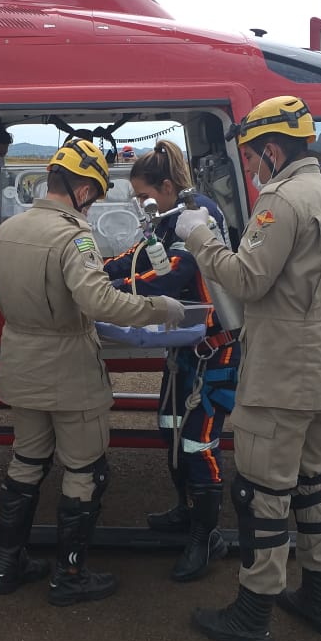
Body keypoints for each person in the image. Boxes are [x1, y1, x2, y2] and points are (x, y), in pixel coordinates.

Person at [173, 96, 321, 641]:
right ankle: (318, 599)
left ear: (273, 151)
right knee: (311, 486)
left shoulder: (282, 200)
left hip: (285, 376)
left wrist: (200, 236)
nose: (253, 168)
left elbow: (246, 279)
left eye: (253, 157)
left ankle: (252, 614)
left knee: (261, 493)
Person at [0, 137, 187, 606]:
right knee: (84, 470)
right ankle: (70, 576)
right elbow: (99, 302)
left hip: (20, 362)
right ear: (82, 190)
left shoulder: (7, 229)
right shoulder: (74, 237)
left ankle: (8, 565)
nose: (93, 205)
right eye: (94, 196)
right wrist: (160, 307)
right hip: (69, 371)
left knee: (26, 463)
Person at [101, 139, 240, 582]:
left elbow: (174, 273)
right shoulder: (165, 218)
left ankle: (206, 536)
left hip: (215, 349)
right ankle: (186, 509)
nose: (140, 203)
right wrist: (98, 269)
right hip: (185, 347)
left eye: (143, 195)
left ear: (165, 186)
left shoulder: (197, 215)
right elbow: (138, 257)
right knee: (171, 429)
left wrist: (111, 292)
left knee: (198, 442)